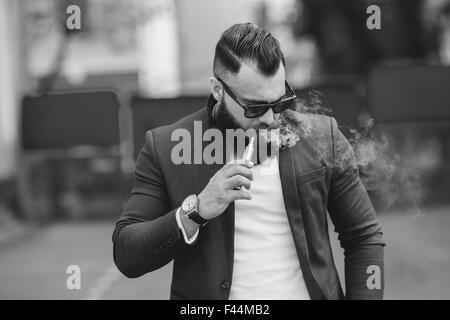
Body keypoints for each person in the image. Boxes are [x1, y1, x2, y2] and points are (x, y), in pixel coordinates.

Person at [112, 23, 385, 300]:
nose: (269, 118)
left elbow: (363, 238)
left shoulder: (323, 136)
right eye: (254, 107)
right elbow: (128, 255)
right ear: (217, 90)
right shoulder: (167, 146)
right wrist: (197, 210)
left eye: (279, 102)